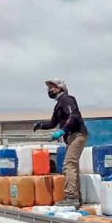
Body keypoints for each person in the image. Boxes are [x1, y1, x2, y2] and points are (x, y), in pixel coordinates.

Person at [33, 79, 87, 207]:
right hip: (71, 136)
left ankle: (71, 196)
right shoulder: (58, 105)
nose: (49, 90)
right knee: (72, 166)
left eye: (52, 87)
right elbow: (52, 123)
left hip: (77, 134)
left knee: (68, 165)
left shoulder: (67, 99)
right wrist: (40, 125)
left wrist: (62, 131)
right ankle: (76, 197)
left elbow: (73, 116)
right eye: (48, 88)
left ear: (60, 88)